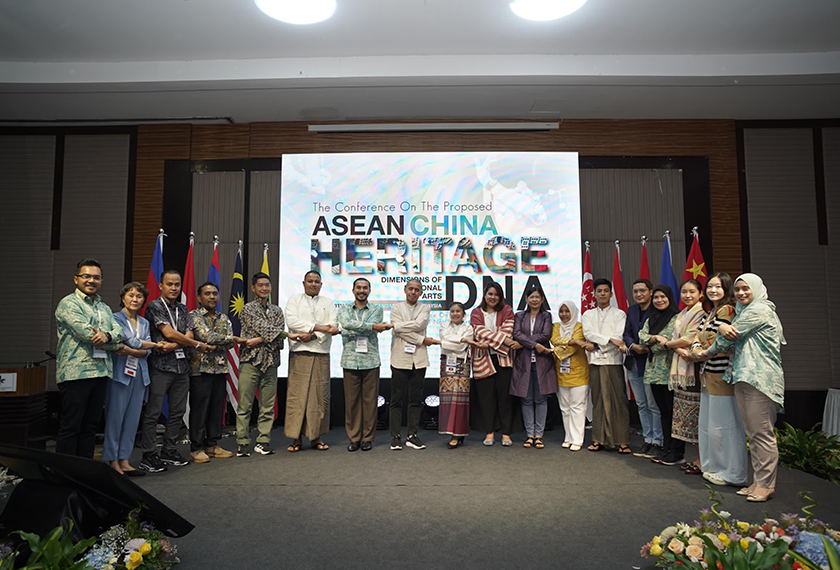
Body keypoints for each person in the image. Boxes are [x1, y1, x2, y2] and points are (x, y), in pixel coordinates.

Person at [697, 273, 785, 503]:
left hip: (760, 379)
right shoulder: (744, 311)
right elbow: (728, 332)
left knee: (762, 433)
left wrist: (708, 350)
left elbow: (730, 335)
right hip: (742, 376)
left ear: (757, 288)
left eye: (746, 288)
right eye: (737, 290)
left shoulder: (760, 310)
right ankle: (758, 481)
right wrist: (724, 330)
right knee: (753, 434)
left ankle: (766, 484)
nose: (741, 293)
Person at [55, 259, 124, 458]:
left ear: (101, 280)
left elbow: (119, 331)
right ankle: (65, 475)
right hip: (76, 373)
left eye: (96, 277)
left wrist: (108, 336)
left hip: (101, 371)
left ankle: (85, 473)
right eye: (86, 276)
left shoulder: (104, 307)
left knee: (90, 427)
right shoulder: (68, 303)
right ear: (76, 279)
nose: (91, 280)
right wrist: (114, 343)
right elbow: (87, 335)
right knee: (71, 427)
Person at [139, 269, 204, 473]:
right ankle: (149, 454)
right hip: (160, 367)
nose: (174, 288)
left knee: (177, 412)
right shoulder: (153, 306)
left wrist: (178, 344)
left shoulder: (184, 309)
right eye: (169, 284)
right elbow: (168, 332)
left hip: (181, 368)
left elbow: (187, 332)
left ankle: (169, 450)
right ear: (161, 285)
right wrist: (192, 344)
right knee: (153, 413)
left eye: (177, 284)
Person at [691, 272, 748, 487]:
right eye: (710, 287)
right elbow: (698, 338)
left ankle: (732, 473)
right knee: (710, 426)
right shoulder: (710, 312)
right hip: (708, 374)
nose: (713, 290)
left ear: (726, 290)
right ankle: (714, 467)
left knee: (726, 426)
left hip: (722, 375)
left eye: (718, 287)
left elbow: (717, 340)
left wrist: (700, 349)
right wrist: (698, 349)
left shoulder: (727, 310)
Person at [104, 282, 159, 475]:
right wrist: (145, 346)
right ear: (123, 298)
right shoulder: (114, 318)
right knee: (115, 419)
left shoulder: (144, 322)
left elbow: (144, 352)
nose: (135, 299)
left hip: (139, 376)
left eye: (139, 296)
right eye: (131, 295)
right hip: (120, 376)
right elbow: (130, 340)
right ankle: (112, 460)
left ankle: (125, 459)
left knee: (132, 420)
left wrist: (132, 350)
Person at [285, 270, 339, 452]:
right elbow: (293, 322)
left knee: (318, 398)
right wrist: (318, 327)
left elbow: (333, 325)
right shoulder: (294, 300)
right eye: (310, 281)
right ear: (304, 283)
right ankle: (296, 438)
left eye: (317, 282)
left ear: (321, 284)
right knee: (297, 397)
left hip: (321, 353)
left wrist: (313, 335)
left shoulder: (328, 303)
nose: (313, 284)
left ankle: (316, 437)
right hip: (299, 352)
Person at [189, 282, 242, 463]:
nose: (212, 297)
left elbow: (229, 343)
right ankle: (196, 448)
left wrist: (223, 340)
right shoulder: (193, 316)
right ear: (199, 297)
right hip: (200, 369)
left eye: (215, 294)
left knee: (216, 408)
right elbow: (205, 336)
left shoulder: (223, 317)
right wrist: (225, 339)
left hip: (220, 369)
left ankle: (212, 445)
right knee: (200, 408)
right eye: (207, 294)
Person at [236, 272, 288, 457]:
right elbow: (271, 331)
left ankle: (263, 441)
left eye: (267, 285)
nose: (264, 288)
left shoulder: (277, 310)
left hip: (271, 362)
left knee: (267, 406)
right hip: (251, 361)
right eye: (260, 285)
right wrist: (279, 335)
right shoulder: (248, 309)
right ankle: (242, 443)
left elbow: (278, 339)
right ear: (253, 288)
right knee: (245, 405)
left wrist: (257, 339)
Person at [338, 278, 392, 452]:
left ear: (369, 290)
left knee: (370, 402)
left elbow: (348, 328)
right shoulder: (344, 308)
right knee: (352, 402)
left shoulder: (377, 309)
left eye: (365, 288)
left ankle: (367, 438)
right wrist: (373, 327)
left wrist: (351, 329)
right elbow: (346, 324)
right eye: (358, 287)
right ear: (353, 290)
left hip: (371, 360)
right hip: (350, 360)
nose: (361, 290)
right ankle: (354, 438)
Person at [581, 278, 630, 453]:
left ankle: (622, 440)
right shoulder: (588, 314)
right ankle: (598, 439)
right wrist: (609, 340)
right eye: (599, 291)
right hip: (594, 362)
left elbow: (620, 335)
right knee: (598, 401)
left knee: (618, 400)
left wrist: (598, 343)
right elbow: (588, 333)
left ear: (611, 294)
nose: (602, 294)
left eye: (605, 291)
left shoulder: (620, 314)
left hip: (613, 362)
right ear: (594, 294)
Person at [662, 279, 705, 471]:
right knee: (686, 415)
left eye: (692, 292)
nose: (687, 295)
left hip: (693, 370)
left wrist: (668, 345)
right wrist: (677, 349)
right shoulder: (681, 314)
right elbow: (677, 339)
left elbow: (690, 338)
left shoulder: (702, 314)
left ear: (700, 294)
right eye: (684, 292)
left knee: (697, 416)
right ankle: (696, 460)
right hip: (681, 366)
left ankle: (701, 461)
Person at [389, 278, 437, 451]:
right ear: (405, 289)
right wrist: (422, 339)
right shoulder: (396, 307)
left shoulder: (425, 308)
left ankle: (412, 436)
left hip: (419, 359)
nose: (413, 292)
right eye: (410, 289)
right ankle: (395, 437)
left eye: (417, 289)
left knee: (415, 400)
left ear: (421, 292)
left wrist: (400, 326)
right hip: (399, 359)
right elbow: (397, 331)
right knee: (396, 400)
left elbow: (418, 324)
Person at [470, 281, 519, 446]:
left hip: (503, 359)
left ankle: (506, 433)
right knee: (486, 398)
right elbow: (478, 332)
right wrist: (501, 339)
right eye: (490, 294)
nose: (493, 297)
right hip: (483, 359)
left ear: (501, 297)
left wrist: (490, 342)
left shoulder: (507, 310)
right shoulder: (476, 312)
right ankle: (489, 432)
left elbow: (508, 331)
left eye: (496, 294)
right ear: (485, 295)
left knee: (505, 397)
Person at [623, 278, 663, 457]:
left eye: (642, 291)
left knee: (653, 404)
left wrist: (644, 345)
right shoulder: (631, 310)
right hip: (634, 362)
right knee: (641, 404)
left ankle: (658, 441)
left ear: (651, 292)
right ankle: (647, 439)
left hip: (651, 362)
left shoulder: (658, 309)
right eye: (635, 291)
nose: (638, 294)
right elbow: (627, 333)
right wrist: (633, 346)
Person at [638, 285, 679, 464]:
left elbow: (669, 339)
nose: (659, 300)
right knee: (663, 412)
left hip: (670, 371)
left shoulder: (677, 318)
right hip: (654, 371)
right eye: (656, 297)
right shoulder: (651, 318)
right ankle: (665, 447)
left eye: (663, 297)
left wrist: (656, 341)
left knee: (672, 411)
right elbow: (642, 336)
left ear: (669, 298)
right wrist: (655, 339)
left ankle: (675, 451)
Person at [510, 285, 554, 449]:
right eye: (532, 297)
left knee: (541, 399)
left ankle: (539, 435)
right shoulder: (520, 315)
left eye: (537, 297)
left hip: (542, 362)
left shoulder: (546, 316)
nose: (534, 299)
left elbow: (546, 335)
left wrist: (526, 343)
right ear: (526, 299)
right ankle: (530, 435)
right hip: (524, 363)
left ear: (542, 300)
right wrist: (534, 344)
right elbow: (517, 334)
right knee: (526, 399)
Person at [550, 300, 591, 451]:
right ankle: (568, 436)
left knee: (577, 407)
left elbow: (572, 348)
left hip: (579, 373)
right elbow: (554, 341)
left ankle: (577, 439)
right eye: (561, 311)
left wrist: (565, 345)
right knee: (565, 408)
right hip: (560, 372)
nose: (564, 315)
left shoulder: (580, 326)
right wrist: (572, 341)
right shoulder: (556, 326)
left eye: (567, 311)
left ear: (573, 312)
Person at [438, 302, 474, 449]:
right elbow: (445, 343)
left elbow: (461, 347)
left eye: (458, 311)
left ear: (463, 313)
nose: (455, 314)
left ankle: (458, 434)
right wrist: (460, 340)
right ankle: (450, 431)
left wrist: (451, 342)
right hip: (447, 364)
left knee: (460, 400)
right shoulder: (444, 326)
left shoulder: (469, 328)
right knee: (447, 399)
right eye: (452, 311)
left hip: (462, 364)